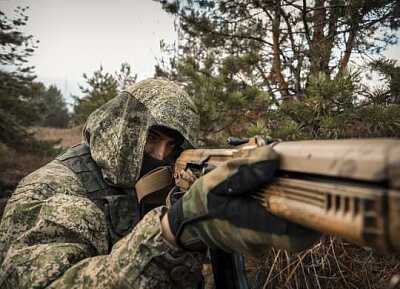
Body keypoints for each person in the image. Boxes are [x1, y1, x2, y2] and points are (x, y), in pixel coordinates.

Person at [0, 78, 319, 289]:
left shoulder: (164, 180)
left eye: (172, 145)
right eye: (151, 138)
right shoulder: (53, 188)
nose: (161, 155)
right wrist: (169, 231)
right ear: (121, 130)